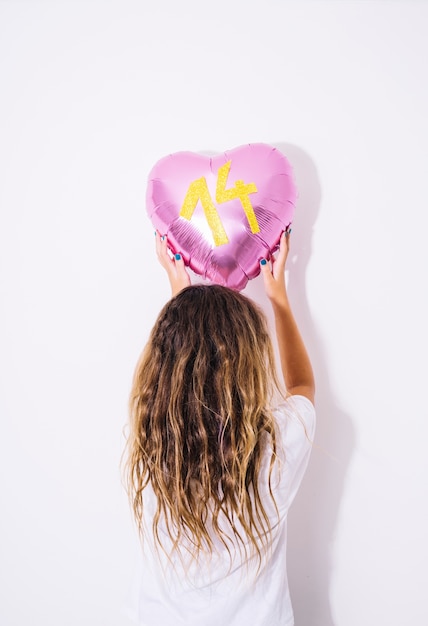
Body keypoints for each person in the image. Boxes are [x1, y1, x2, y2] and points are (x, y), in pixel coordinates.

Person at [124, 229, 315, 626]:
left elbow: (180, 377)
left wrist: (182, 296)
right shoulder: (277, 446)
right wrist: (279, 299)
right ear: (249, 366)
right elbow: (302, 387)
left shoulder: (153, 447)